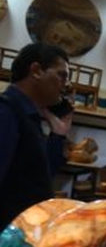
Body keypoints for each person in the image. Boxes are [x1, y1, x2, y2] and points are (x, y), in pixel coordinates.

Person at [1, 43, 73, 228]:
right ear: (36, 71)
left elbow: (39, 178)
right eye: (61, 75)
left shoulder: (28, 118)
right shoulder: (6, 111)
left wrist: (58, 135)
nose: (66, 84)